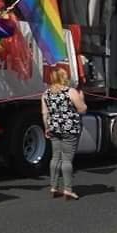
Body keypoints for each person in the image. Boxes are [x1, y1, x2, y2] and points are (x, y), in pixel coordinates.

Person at [42, 67, 87, 200]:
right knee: (67, 159)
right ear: (64, 77)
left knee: (55, 158)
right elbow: (82, 109)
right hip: (70, 129)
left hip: (54, 128)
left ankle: (54, 187)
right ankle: (68, 189)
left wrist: (47, 128)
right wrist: (82, 98)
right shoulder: (70, 92)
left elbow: (45, 113)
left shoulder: (46, 94)